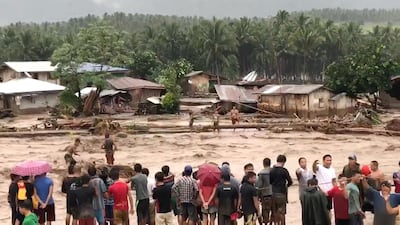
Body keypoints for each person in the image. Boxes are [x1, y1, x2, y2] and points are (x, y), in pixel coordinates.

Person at [270, 155, 293, 225]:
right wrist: (286, 186)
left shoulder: (272, 170)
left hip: (273, 193)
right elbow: (290, 181)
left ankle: (276, 223)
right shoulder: (284, 171)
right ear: (284, 162)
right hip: (282, 193)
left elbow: (270, 181)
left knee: (275, 212)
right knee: (282, 212)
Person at [256, 158, 272, 225]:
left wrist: (258, 196)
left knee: (265, 211)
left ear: (263, 164)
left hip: (265, 195)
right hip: (274, 194)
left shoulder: (261, 173)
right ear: (270, 163)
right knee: (274, 211)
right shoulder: (273, 171)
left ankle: (266, 223)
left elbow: (259, 186)